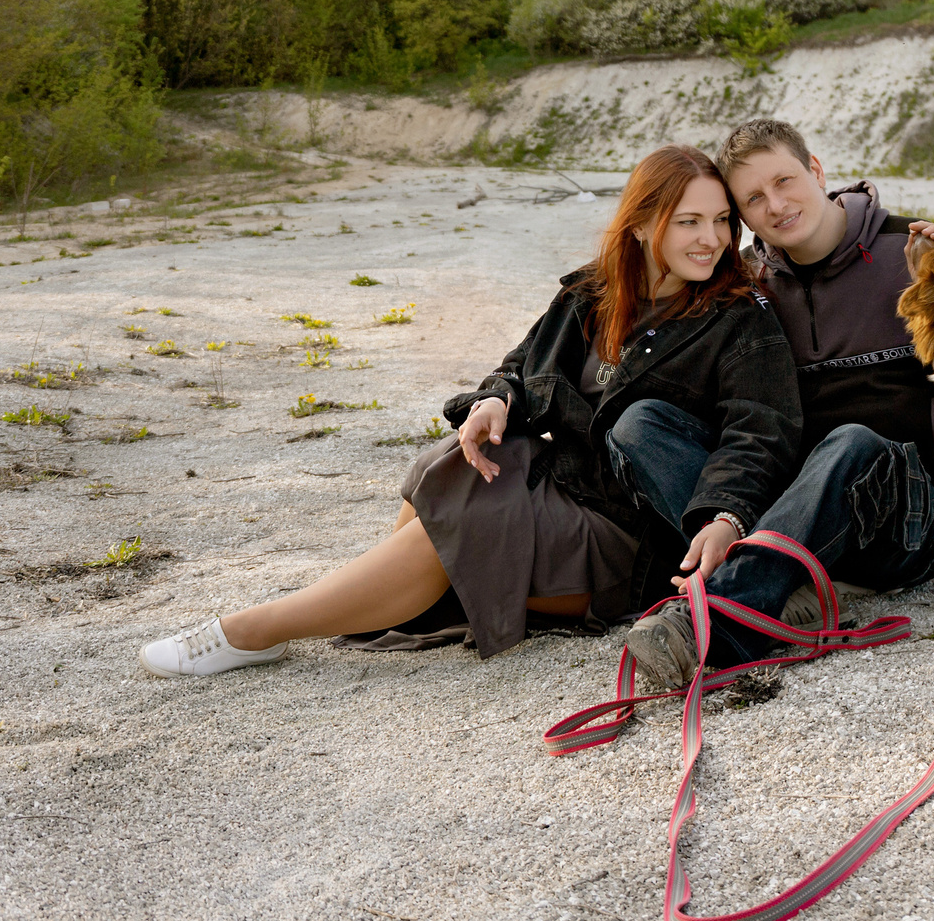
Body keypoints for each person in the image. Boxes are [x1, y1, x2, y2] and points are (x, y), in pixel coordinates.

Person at [138, 144, 800, 679]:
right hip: (564, 482)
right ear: (639, 222)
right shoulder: (593, 294)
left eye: (721, 221)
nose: (711, 238)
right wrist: (492, 399)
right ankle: (353, 601)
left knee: (468, 522)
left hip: (632, 535)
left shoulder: (740, 318)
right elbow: (517, 366)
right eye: (689, 220)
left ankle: (255, 629)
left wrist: (724, 515)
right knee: (452, 461)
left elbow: (758, 435)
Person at [616, 117, 934, 690]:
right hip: (798, 514)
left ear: (816, 170)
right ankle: (783, 593)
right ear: (742, 216)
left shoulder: (912, 251)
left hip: (906, 524)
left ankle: (722, 629)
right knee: (642, 423)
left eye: (784, 181)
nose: (775, 205)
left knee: (849, 440)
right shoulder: (749, 285)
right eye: (753, 198)